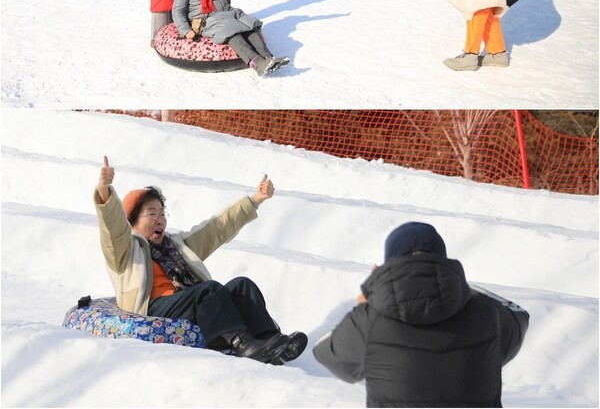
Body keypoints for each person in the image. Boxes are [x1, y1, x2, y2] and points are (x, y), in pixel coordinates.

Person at [94, 156, 307, 364]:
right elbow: (112, 229)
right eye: (151, 214)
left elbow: (215, 229)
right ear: (132, 220)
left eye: (162, 213)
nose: (160, 220)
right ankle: (242, 343)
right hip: (153, 306)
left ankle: (270, 341)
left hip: (186, 299)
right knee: (208, 289)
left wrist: (254, 201)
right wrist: (105, 191)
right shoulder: (126, 250)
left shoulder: (175, 245)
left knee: (242, 285)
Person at [313, 221, 529, 407]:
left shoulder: (370, 318)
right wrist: (461, 287)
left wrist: (366, 300)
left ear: (389, 264)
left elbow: (326, 353)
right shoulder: (486, 312)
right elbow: (519, 315)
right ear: (443, 260)